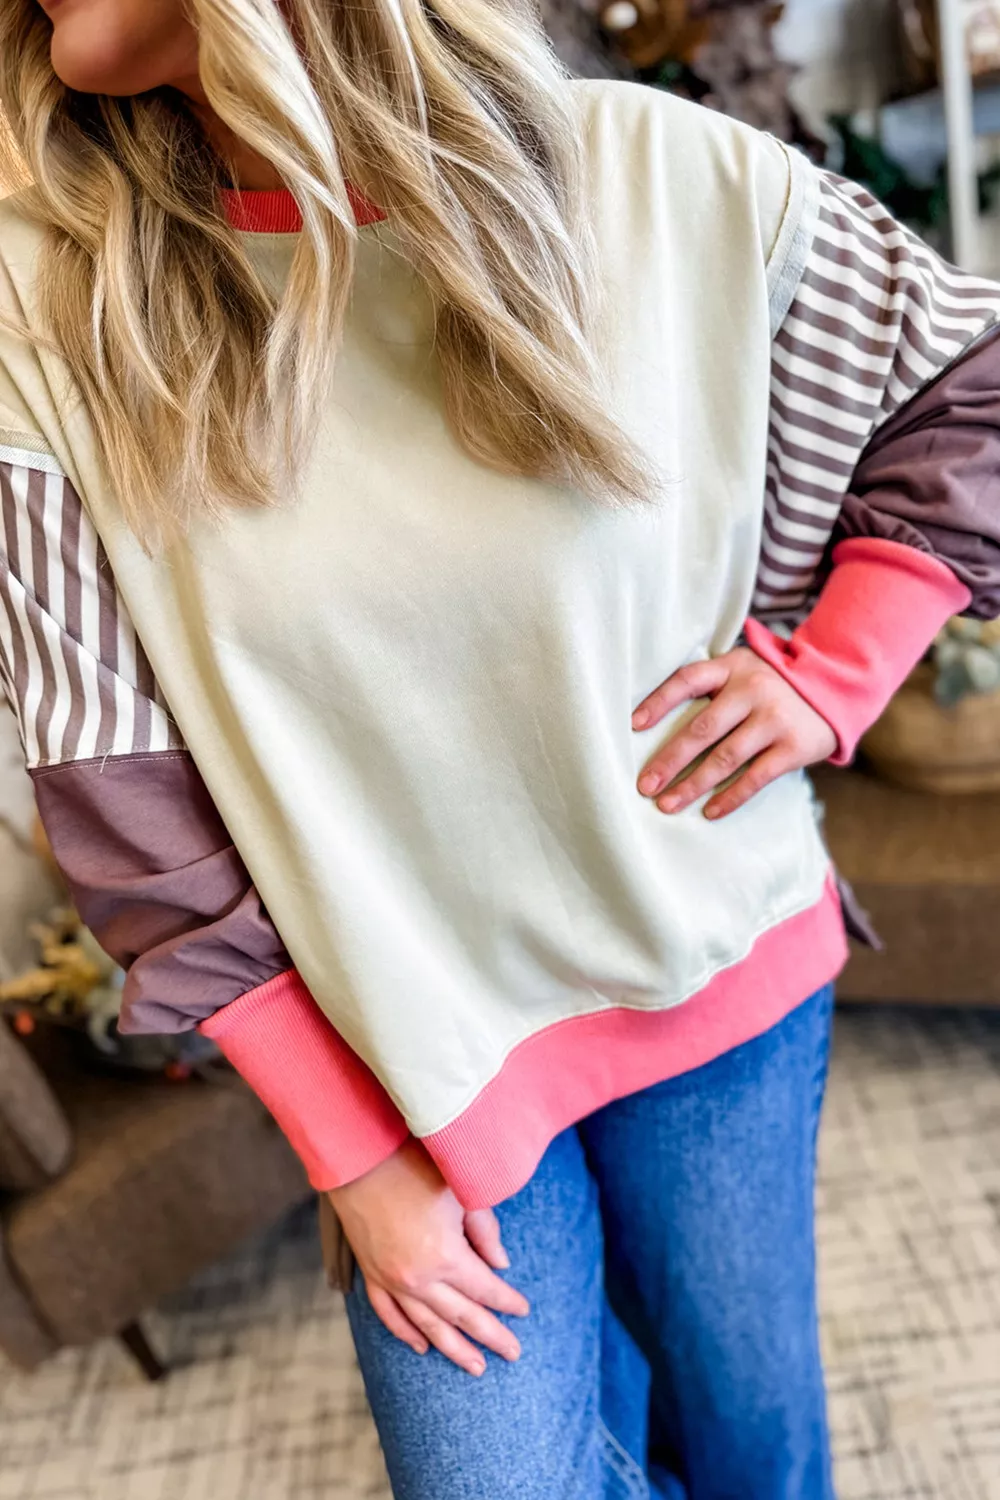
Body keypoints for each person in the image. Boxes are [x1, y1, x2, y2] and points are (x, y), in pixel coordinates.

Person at [2, 3, 999, 1496]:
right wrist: (352, 1158)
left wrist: (837, 672)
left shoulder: (646, 172)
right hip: (407, 1069)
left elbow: (965, 373)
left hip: (718, 961)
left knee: (754, 1445)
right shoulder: (44, 303)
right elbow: (112, 776)